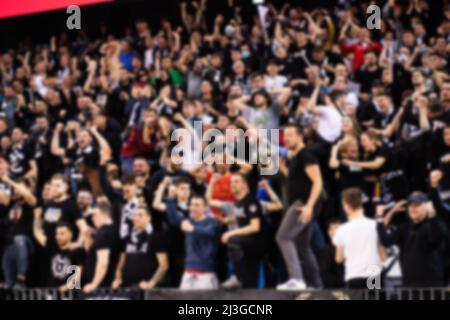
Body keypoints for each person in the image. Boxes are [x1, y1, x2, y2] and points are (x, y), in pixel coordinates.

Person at [276, 124, 324, 290]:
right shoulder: (297, 157)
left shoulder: (306, 154)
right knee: (303, 245)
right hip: (303, 203)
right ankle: (316, 285)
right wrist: (283, 169)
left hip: (303, 204)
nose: (286, 139)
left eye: (290, 135)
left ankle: (297, 279)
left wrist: (309, 206)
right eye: (285, 136)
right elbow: (298, 180)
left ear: (299, 136)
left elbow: (318, 181)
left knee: (283, 237)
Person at [377, 191, 448, 287]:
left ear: (426, 206)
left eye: (417, 205)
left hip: (431, 287)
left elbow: (436, 237)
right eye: (410, 205)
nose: (412, 209)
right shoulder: (403, 228)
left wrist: (432, 214)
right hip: (408, 286)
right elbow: (386, 241)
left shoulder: (434, 225)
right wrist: (380, 217)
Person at [219, 173, 269, 289]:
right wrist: (230, 221)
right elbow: (244, 217)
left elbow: (255, 226)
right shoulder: (237, 201)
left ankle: (236, 276)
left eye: (237, 182)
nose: (233, 185)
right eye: (232, 182)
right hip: (248, 244)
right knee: (249, 283)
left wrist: (232, 232)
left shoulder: (251, 201)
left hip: (257, 242)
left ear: (244, 185)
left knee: (232, 240)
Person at [166, 193, 221, 290]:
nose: (193, 208)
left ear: (205, 207)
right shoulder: (188, 221)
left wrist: (192, 229)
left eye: (197, 205)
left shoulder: (213, 222)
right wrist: (170, 200)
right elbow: (173, 218)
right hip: (188, 270)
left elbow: (209, 232)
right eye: (191, 204)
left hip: (206, 272)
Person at [332, 188, 385, 288]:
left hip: (354, 274)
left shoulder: (342, 230)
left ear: (346, 206)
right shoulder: (374, 225)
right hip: (373, 272)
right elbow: (383, 255)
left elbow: (339, 258)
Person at [112, 205, 168, 289]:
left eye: (140, 215)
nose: (136, 218)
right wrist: (117, 279)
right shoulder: (127, 238)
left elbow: (164, 265)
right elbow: (120, 265)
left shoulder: (156, 237)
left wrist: (151, 283)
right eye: (134, 215)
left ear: (149, 218)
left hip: (147, 290)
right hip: (127, 288)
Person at [1, 176, 37, 288]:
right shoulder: (12, 202)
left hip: (27, 243)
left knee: (19, 239)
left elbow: (28, 196)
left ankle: (21, 278)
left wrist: (10, 181)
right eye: (15, 187)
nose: (17, 189)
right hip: (11, 246)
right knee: (9, 284)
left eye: (21, 187)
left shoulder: (31, 202)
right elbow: (2, 195)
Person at [34, 221, 84, 292]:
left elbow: (79, 272)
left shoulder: (76, 250)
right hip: (51, 294)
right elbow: (37, 233)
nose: (58, 236)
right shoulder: (52, 247)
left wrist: (67, 286)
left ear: (70, 234)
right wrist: (37, 217)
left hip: (70, 295)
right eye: (57, 234)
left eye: (62, 233)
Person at [83, 203, 121, 293]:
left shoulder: (104, 233)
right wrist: (87, 237)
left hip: (101, 288)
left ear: (105, 215)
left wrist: (94, 284)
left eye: (95, 215)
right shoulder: (111, 230)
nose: (92, 218)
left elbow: (103, 262)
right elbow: (91, 253)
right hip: (104, 284)